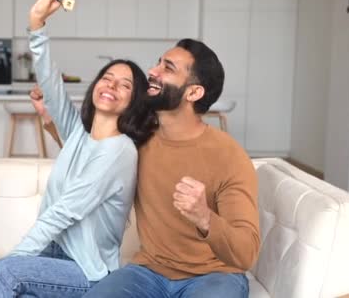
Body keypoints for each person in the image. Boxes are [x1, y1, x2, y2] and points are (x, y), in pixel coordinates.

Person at [33, 23, 260, 298]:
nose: (152, 72)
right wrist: (50, 121)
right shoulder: (139, 138)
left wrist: (205, 217)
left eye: (168, 68)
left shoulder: (229, 156)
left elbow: (246, 252)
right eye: (158, 63)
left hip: (215, 276)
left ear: (193, 92)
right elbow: (95, 155)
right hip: (148, 271)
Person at [0, 0, 156, 298]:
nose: (111, 86)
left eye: (124, 85)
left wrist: (15, 259)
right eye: (107, 78)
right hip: (55, 253)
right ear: (96, 86)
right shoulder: (79, 134)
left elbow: (65, 211)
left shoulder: (120, 151)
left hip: (87, 271)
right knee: (12, 279)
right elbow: (50, 82)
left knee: (5, 273)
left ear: (134, 101)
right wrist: (37, 23)